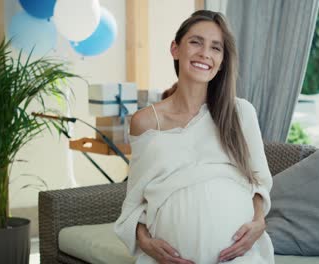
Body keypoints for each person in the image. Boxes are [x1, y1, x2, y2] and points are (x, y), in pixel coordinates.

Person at [115, 10, 274, 264]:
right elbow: (134, 200)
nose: (205, 54)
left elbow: (259, 183)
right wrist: (145, 242)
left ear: (222, 61)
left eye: (216, 48)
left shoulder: (240, 112)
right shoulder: (145, 122)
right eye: (196, 42)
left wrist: (258, 222)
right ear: (175, 49)